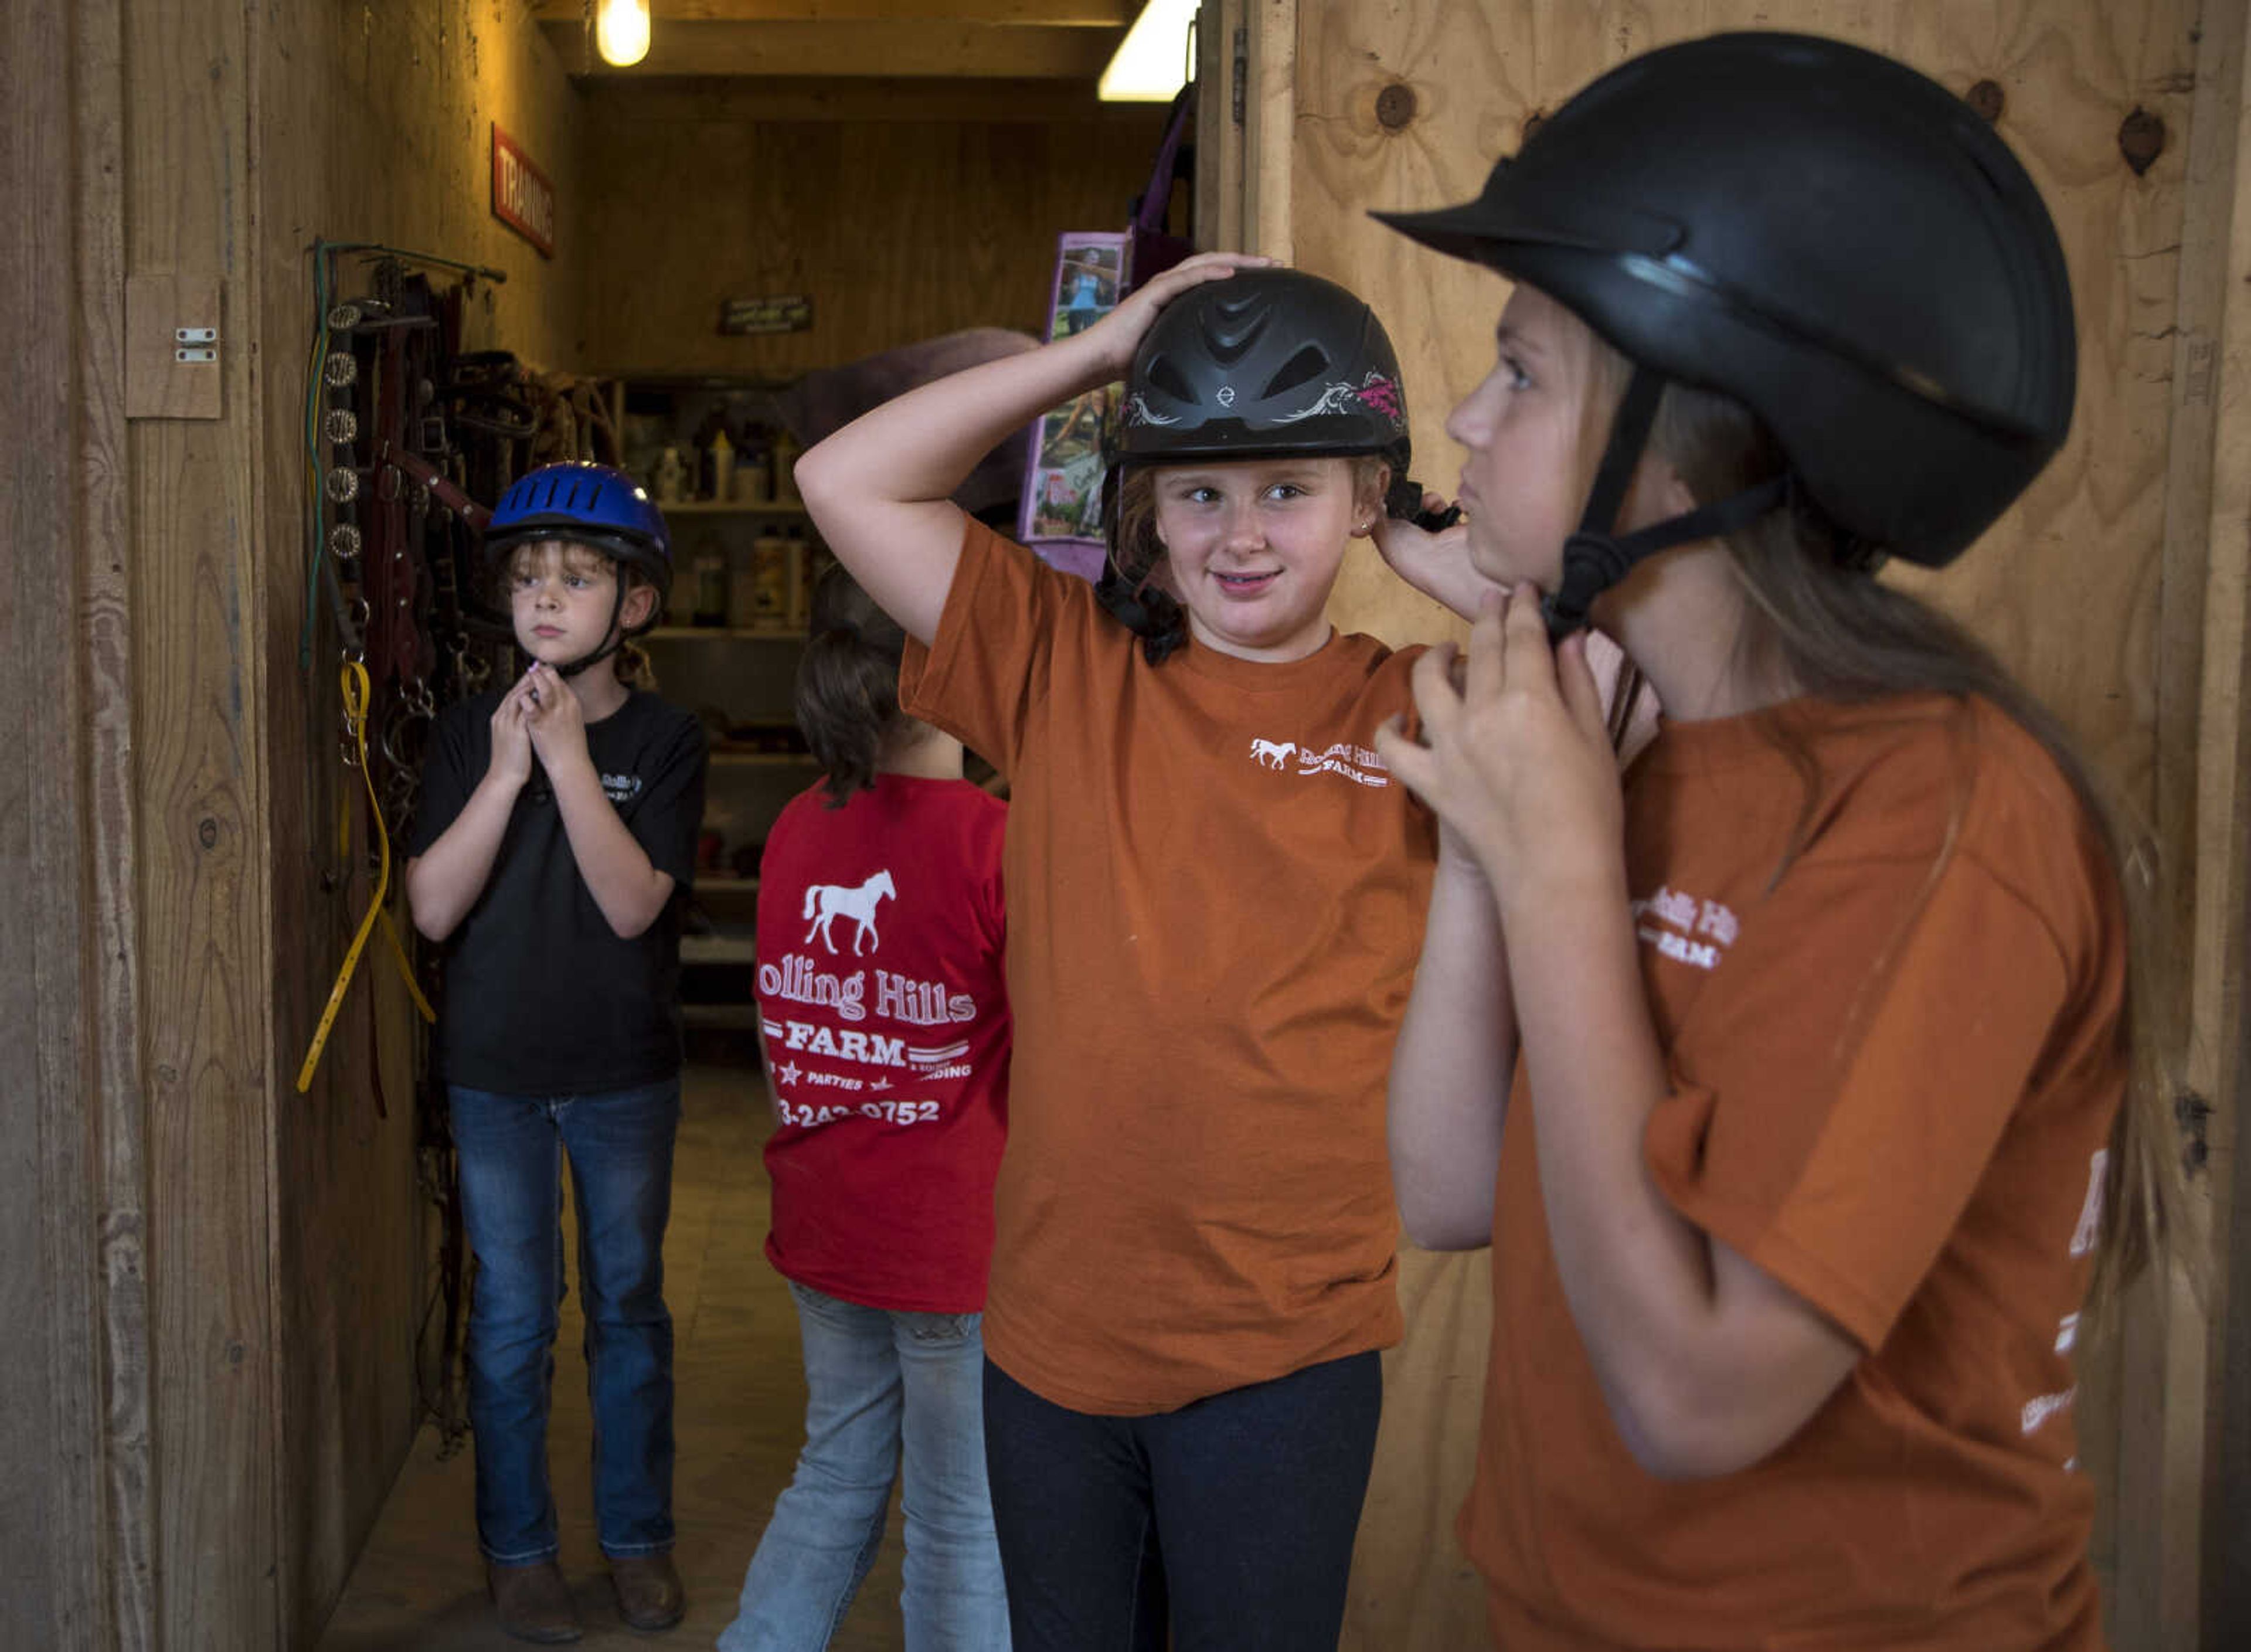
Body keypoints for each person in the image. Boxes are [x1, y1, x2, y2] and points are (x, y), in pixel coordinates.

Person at [1368, 33, 2182, 1651]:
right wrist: (1494, 842)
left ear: (1690, 443)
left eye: (1523, 369)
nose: (1464, 409)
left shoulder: (1946, 811)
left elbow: (1696, 1390)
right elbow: (1449, 1186)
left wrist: (1556, 869)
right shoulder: (1625, 744)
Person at [787, 261, 1477, 1650]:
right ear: (1144, 509)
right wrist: (1094, 354)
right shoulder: (1061, 661)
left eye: (1288, 487)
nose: (1239, 533)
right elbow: (846, 481)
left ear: (1366, 496)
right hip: (1053, 1345)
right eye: (1197, 490)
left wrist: (1472, 572)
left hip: (1286, 1355)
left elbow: (1629, 690)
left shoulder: (1420, 706)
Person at [405, 461, 707, 1644]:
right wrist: (508, 768)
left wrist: (576, 761)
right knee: (515, 1318)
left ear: (633, 605)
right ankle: (519, 1552)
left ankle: (636, 1542)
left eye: (578, 578)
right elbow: (432, 908)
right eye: (529, 577)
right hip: (494, 1075)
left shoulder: (667, 739)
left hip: (623, 1072)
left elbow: (634, 905)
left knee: (627, 1307)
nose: (546, 598)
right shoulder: (464, 732)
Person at [718, 563, 1012, 1651]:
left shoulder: (800, 823)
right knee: (961, 1518)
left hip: (826, 1224)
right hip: (952, 1249)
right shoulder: (996, 841)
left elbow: (776, 1023)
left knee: (833, 1472)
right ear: (961, 679)